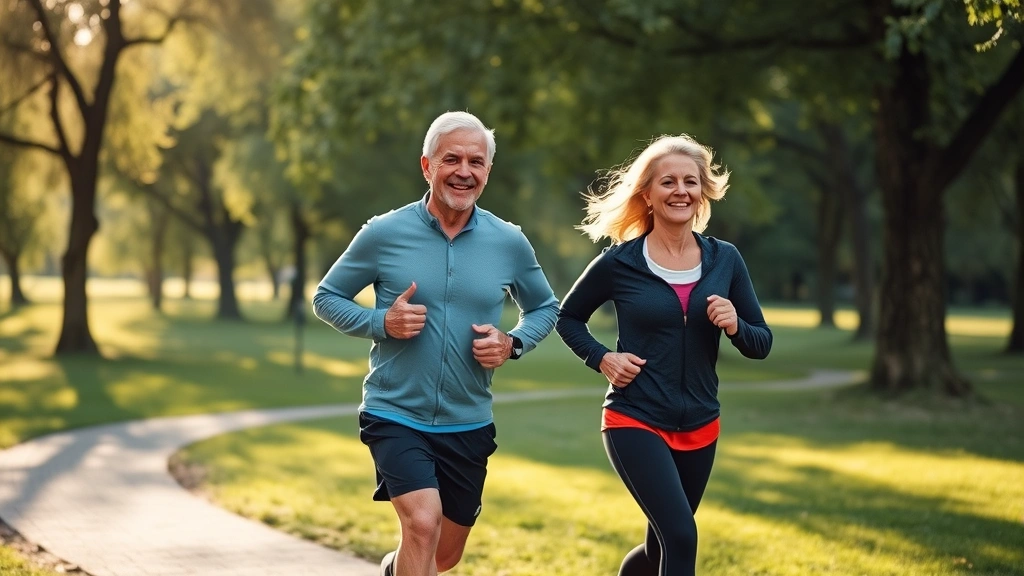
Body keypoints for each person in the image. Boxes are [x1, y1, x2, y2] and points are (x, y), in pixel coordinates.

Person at [312, 111, 559, 576]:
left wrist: (512, 343)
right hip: (395, 412)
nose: (464, 171)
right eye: (452, 159)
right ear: (427, 166)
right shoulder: (383, 233)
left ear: (487, 171)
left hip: (469, 420)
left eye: (476, 162)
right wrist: (382, 321)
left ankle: (393, 570)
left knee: (443, 555)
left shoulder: (509, 242)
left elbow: (546, 307)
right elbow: (326, 297)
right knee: (423, 525)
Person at [555, 134, 772, 576]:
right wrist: (602, 358)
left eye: (690, 182)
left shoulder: (725, 260)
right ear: (647, 194)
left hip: (701, 424)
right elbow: (568, 318)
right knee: (681, 536)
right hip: (635, 417)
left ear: (702, 192)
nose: (680, 191)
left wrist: (735, 324)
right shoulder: (620, 262)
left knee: (661, 547)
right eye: (668, 182)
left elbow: (761, 343)